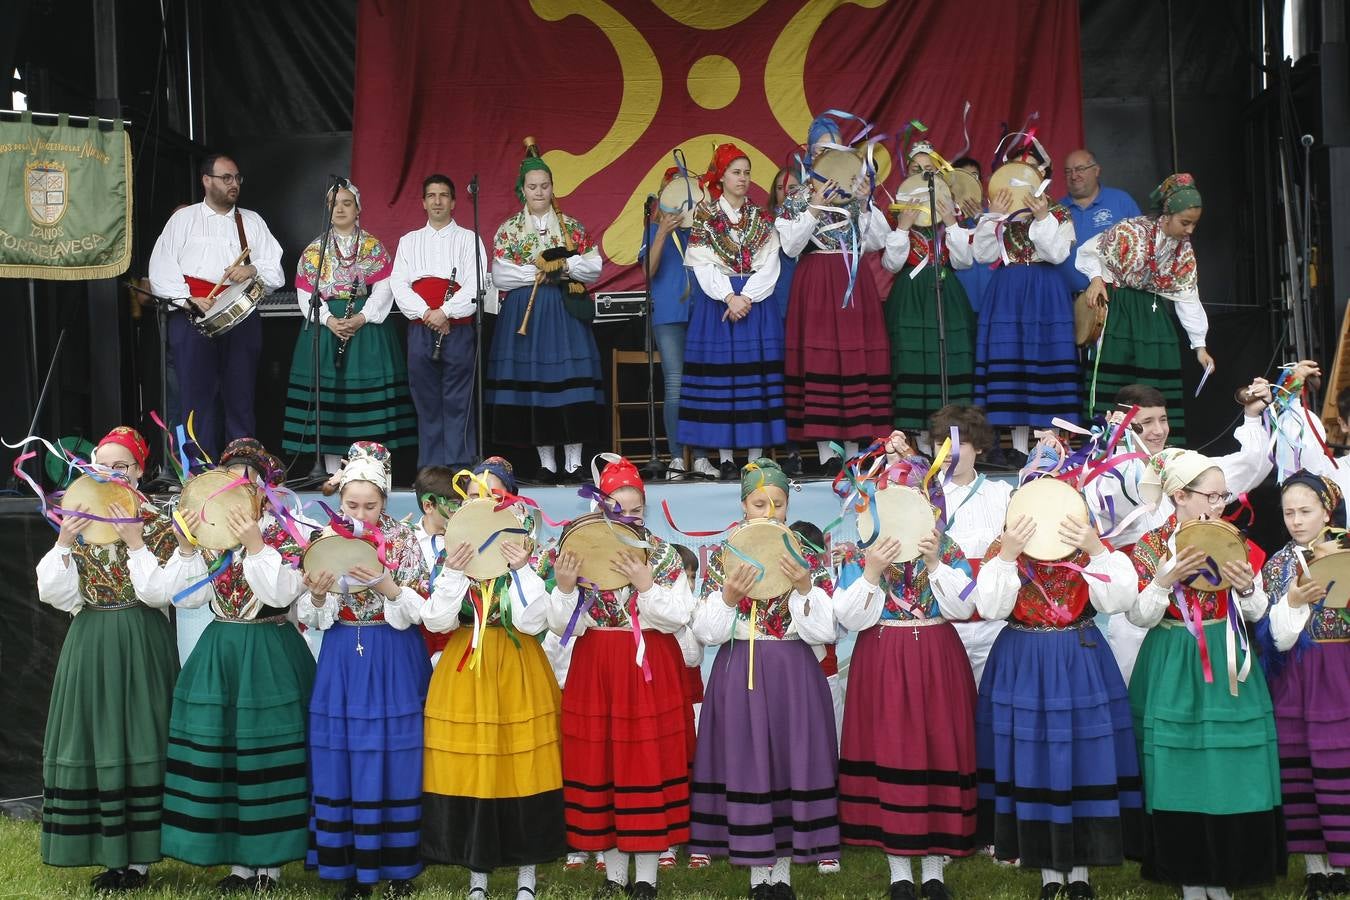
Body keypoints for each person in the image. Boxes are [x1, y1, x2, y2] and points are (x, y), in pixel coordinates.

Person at [975, 462, 1142, 900]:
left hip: (1079, 657)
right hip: (1024, 659)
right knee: (1033, 758)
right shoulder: (1003, 550)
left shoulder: (1088, 548)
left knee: (1083, 758)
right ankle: (1049, 876)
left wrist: (1098, 549)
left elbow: (1122, 598)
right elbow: (991, 606)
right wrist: (1008, 555)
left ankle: (1082, 876)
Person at [159, 438, 315, 894]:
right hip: (221, 651)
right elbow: (186, 598)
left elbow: (279, 595)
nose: (239, 490)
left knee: (267, 755)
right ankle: (238, 865)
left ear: (267, 488)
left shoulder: (288, 534)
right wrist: (188, 550)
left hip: (271, 652)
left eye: (249, 481)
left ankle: (270, 866)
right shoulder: (211, 536)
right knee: (226, 755)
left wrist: (255, 545)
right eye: (231, 480)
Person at [1127, 448, 1285, 897]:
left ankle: (1227, 868)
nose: (1220, 505)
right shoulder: (1153, 546)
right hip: (1173, 656)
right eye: (1211, 497)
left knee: (1228, 759)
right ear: (1180, 495)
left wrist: (1247, 588)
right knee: (1178, 763)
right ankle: (1188, 875)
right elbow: (1138, 616)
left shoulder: (1233, 539)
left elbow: (1258, 613)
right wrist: (1161, 582)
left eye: (1222, 496)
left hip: (1227, 652)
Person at [36, 427, 183, 891]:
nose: (112, 474)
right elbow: (54, 594)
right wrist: (63, 541)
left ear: (140, 471)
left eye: (122, 467)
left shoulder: (159, 521)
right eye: (103, 465)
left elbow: (161, 592)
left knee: (140, 736)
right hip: (91, 639)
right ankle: (110, 854)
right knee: (98, 739)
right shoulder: (77, 516)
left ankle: (138, 861)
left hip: (140, 639)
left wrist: (135, 542)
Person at [544, 457, 697, 899]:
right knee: (604, 764)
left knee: (644, 762)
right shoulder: (578, 547)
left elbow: (678, 616)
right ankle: (613, 876)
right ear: (600, 507)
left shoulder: (663, 553)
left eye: (634, 510)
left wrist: (646, 585)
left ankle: (646, 877)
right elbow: (560, 624)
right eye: (616, 508)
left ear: (644, 510)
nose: (626, 517)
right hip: (597, 666)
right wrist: (566, 586)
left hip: (647, 667)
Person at [687, 459, 839, 899]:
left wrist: (807, 589)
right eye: (760, 503)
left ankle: (785, 870)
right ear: (743, 505)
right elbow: (709, 633)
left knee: (790, 761)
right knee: (747, 763)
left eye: (778, 503)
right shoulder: (723, 554)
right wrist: (729, 599)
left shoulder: (806, 553)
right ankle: (757, 870)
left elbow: (824, 632)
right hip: (739, 668)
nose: (769, 512)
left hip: (793, 670)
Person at [833, 439, 977, 900]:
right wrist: (873, 571)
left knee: (936, 752)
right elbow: (851, 618)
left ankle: (934, 871)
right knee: (892, 753)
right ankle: (899, 873)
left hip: (937, 655)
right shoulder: (861, 552)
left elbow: (963, 604)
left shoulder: (945, 547)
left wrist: (935, 561)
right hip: (883, 657)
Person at [420, 457, 566, 900]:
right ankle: (477, 878)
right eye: (479, 495)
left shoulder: (532, 553)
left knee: (521, 766)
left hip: (518, 666)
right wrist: (451, 573)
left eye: (496, 495)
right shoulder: (454, 553)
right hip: (465, 668)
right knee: (474, 767)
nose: (487, 502)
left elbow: (529, 620)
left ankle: (527, 878)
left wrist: (521, 568)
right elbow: (437, 620)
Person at [295, 442, 432, 899]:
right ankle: (346, 868)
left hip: (393, 651)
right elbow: (311, 614)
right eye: (351, 504)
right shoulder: (324, 538)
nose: (360, 513)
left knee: (395, 753)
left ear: (385, 499)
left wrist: (389, 587)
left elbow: (422, 608)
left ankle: (397, 866)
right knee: (343, 752)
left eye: (370, 505)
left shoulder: (404, 539)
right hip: (342, 654)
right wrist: (317, 597)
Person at [1096, 380, 1277, 683]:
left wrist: (1252, 416)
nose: (1158, 430)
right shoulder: (1109, 477)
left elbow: (1250, 467)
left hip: (1209, 624)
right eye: (1146, 423)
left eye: (1163, 419)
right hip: (1140, 619)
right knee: (1143, 695)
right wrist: (1111, 446)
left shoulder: (1188, 471)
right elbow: (1103, 499)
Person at [147, 154, 285, 458]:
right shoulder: (183, 220)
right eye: (226, 178)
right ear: (206, 180)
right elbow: (161, 268)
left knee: (241, 395)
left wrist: (252, 269)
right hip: (191, 314)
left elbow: (276, 271)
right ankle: (198, 471)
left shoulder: (251, 221)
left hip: (241, 317)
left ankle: (242, 467)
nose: (234, 184)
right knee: (195, 398)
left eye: (237, 178)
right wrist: (187, 299)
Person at [776, 113, 892, 474]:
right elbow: (792, 246)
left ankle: (856, 451)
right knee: (821, 360)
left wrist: (864, 203)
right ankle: (827, 455)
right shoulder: (797, 195)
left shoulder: (856, 192)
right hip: (816, 281)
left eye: (833, 148)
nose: (827, 154)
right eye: (821, 148)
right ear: (811, 153)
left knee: (854, 359)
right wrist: (811, 207)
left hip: (852, 280)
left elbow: (878, 242)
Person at [486, 152, 604, 483]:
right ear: (522, 190)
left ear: (553, 188)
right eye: (532, 186)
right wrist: (538, 270)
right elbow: (500, 275)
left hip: (564, 311)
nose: (538, 192)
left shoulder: (572, 227)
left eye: (544, 186)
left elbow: (593, 267)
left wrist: (563, 266)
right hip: (526, 313)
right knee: (536, 386)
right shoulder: (509, 230)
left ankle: (574, 463)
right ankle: (546, 463)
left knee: (569, 383)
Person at [283, 180, 416, 471]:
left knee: (367, 402)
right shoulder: (314, 252)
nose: (340, 208)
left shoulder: (373, 247)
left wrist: (361, 317)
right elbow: (306, 296)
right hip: (328, 330)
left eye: (347, 203)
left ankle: (369, 468)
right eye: (334, 204)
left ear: (358, 208)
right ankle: (331, 471)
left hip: (366, 330)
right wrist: (330, 320)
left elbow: (384, 289)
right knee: (330, 401)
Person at [1262, 472, 1350, 900]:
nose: (1296, 521)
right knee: (1300, 769)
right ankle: (1316, 867)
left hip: (1340, 671)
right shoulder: (1277, 564)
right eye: (1288, 513)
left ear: (1326, 510)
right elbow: (1272, 634)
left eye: (1305, 511)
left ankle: (1342, 862)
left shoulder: (1349, 549)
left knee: (1340, 768)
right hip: (1294, 675)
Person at [1075, 173, 1213, 439]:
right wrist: (1095, 279)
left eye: (1194, 224)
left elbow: (1187, 295)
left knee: (1153, 382)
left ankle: (1158, 446)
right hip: (1119, 311)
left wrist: (1200, 345)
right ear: (1167, 214)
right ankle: (1104, 443)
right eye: (1185, 223)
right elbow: (1088, 251)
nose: (1190, 231)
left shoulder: (1182, 251)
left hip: (1153, 317)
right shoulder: (1129, 231)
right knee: (1115, 380)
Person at [677, 144, 784, 481]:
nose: (743, 178)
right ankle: (724, 457)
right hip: (718, 305)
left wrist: (745, 297)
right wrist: (728, 296)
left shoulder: (762, 218)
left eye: (747, 172)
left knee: (753, 378)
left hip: (755, 303)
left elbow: (771, 264)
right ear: (720, 177)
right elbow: (701, 266)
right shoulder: (706, 219)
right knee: (721, 377)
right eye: (736, 172)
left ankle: (755, 457)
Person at [972, 144, 1079, 449]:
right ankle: (1018, 449)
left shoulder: (1059, 212)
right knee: (1013, 363)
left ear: (1043, 174)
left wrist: (1043, 217)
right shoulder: (999, 213)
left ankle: (1049, 447)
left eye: (1031, 167)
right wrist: (993, 217)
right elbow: (982, 253)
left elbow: (1056, 254)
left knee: (1044, 360)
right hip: (1008, 289)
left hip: (1045, 290)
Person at [390, 174, 488, 472]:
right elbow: (399, 284)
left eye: (443, 195)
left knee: (458, 398)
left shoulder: (469, 239)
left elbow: (476, 283)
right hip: (421, 328)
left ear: (454, 202)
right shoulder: (409, 241)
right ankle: (431, 469)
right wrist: (427, 315)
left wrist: (445, 312)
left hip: (457, 328)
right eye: (431, 195)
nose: (437, 201)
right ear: (423, 202)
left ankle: (459, 466)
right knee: (426, 399)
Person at [882, 142, 978, 438]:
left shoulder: (954, 215)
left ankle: (950, 435)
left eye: (929, 171)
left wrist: (950, 221)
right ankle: (918, 441)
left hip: (945, 294)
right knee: (913, 360)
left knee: (945, 359)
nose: (923, 176)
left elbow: (963, 261)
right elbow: (891, 263)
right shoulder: (895, 214)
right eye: (916, 170)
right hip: (910, 296)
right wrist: (903, 226)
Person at [925, 405, 1012, 685]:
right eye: (942, 444)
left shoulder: (1002, 494)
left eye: (960, 444)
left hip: (996, 625)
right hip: (942, 626)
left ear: (979, 447)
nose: (950, 453)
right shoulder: (922, 496)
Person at [642, 168, 706, 479]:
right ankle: (678, 457)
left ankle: (704, 455)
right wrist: (663, 232)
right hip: (668, 315)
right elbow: (647, 272)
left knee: (705, 384)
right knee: (676, 384)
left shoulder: (703, 228)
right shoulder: (653, 231)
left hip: (702, 312)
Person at [1055, 149, 1142, 295]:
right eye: (1068, 171)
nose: (1074, 176)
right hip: (1068, 301)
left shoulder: (1121, 201)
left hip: (1115, 298)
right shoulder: (1056, 210)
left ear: (1096, 170)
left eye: (1080, 169)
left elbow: (1142, 246)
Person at [768, 167, 804, 476]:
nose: (788, 192)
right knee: (783, 382)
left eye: (794, 187)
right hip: (778, 306)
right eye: (782, 187)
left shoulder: (813, 219)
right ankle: (790, 450)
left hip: (809, 306)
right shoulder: (768, 224)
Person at [412, 464, 459, 667]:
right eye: (453, 505)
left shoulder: (464, 540)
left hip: (457, 641)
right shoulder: (406, 540)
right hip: (418, 643)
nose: (458, 511)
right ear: (429, 506)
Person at [949, 156, 994, 315]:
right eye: (963, 177)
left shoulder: (996, 216)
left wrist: (982, 219)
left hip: (993, 299)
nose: (970, 183)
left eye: (975, 177)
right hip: (959, 302)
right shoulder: (947, 220)